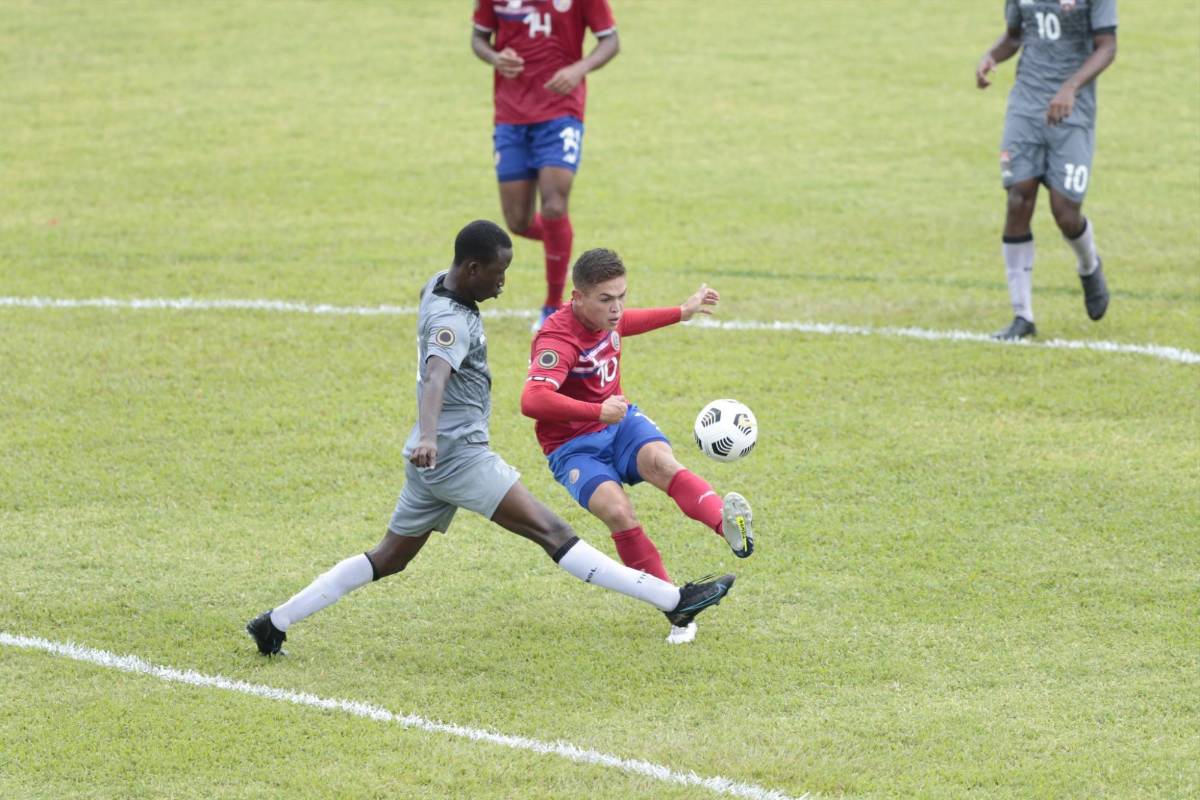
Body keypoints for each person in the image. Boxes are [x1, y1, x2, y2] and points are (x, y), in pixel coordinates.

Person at [246, 222, 734, 656]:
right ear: (473, 268)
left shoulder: (438, 286)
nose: (503, 284)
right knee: (555, 534)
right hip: (456, 455)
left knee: (388, 558)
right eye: (498, 275)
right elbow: (437, 375)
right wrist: (433, 437)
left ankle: (275, 622)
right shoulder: (451, 322)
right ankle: (676, 600)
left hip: (428, 464)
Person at [520, 248, 756, 645]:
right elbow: (532, 400)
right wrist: (595, 411)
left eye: (621, 296)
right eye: (605, 299)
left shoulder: (607, 317)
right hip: (573, 446)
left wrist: (683, 310)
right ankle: (676, 606)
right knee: (617, 511)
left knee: (661, 463)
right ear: (577, 298)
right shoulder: (557, 339)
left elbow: (625, 323)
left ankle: (726, 524)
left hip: (620, 423)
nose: (616, 308)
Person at [470, 0, 620, 332]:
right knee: (517, 221)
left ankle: (553, 305)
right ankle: (561, 241)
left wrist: (578, 68)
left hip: (561, 111)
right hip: (511, 113)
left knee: (554, 205)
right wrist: (495, 57)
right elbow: (478, 38)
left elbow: (610, 40)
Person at [976, 0, 1118, 340]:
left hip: (1072, 110)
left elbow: (1107, 46)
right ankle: (1022, 316)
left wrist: (1070, 86)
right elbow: (1015, 36)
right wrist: (991, 56)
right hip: (1026, 105)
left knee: (1065, 212)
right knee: (1018, 199)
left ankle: (1088, 265)